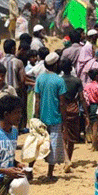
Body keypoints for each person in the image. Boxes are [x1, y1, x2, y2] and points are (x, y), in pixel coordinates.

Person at [33, 52, 67, 181]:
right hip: (56, 117)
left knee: (37, 144)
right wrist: (64, 120)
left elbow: (37, 100)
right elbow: (62, 103)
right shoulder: (59, 80)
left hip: (42, 118)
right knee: (53, 144)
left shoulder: (40, 78)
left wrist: (36, 118)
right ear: (56, 64)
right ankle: (50, 174)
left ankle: (30, 170)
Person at [60, 58, 84, 173]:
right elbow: (82, 98)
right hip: (74, 109)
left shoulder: (59, 81)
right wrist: (87, 114)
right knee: (72, 138)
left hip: (62, 108)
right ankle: (69, 158)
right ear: (71, 68)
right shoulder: (77, 81)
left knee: (63, 135)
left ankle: (66, 160)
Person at [84, 68, 98, 151]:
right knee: (95, 127)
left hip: (88, 106)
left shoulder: (87, 86)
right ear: (97, 76)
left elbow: (85, 97)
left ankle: (89, 141)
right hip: (96, 105)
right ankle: (94, 145)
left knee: (90, 125)